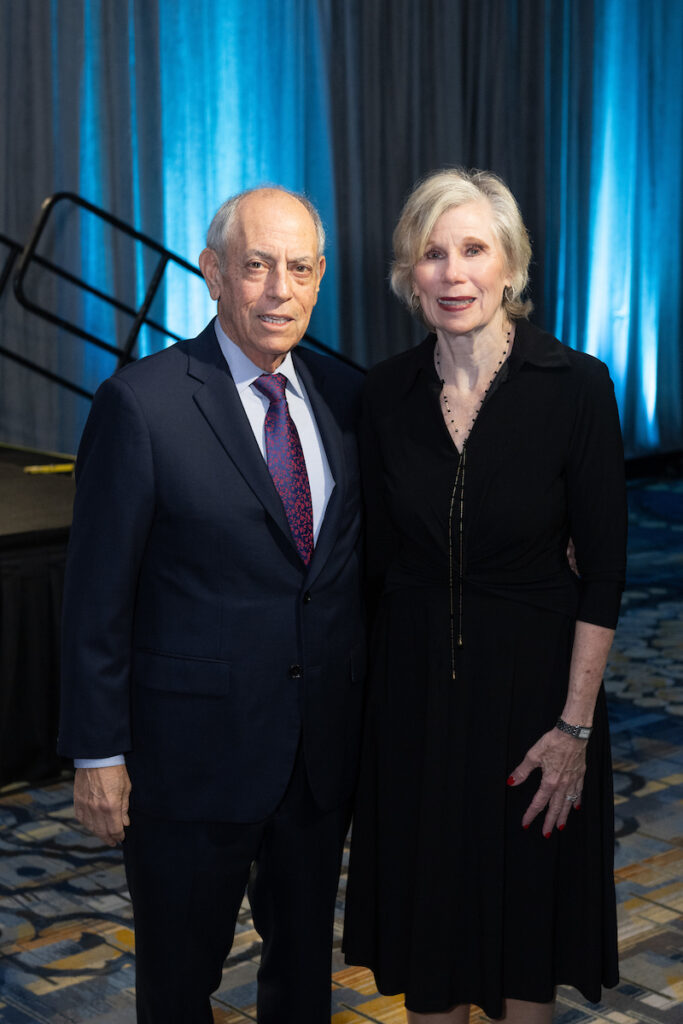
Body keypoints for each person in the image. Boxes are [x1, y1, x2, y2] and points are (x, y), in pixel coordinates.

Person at [58, 186, 366, 1024]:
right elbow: (96, 597)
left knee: (303, 974)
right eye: (257, 266)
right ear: (213, 273)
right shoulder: (143, 404)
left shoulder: (347, 399)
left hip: (316, 756)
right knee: (178, 980)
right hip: (187, 762)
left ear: (320, 277)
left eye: (299, 269)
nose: (279, 290)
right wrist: (97, 754)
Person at [342, 168, 627, 1023]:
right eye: (432, 254)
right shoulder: (382, 395)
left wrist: (573, 727)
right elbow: (373, 569)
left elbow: (605, 573)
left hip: (536, 711)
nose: (452, 273)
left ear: (511, 268)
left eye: (473, 250)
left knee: (520, 967)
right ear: (408, 274)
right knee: (428, 953)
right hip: (415, 709)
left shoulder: (574, 386)